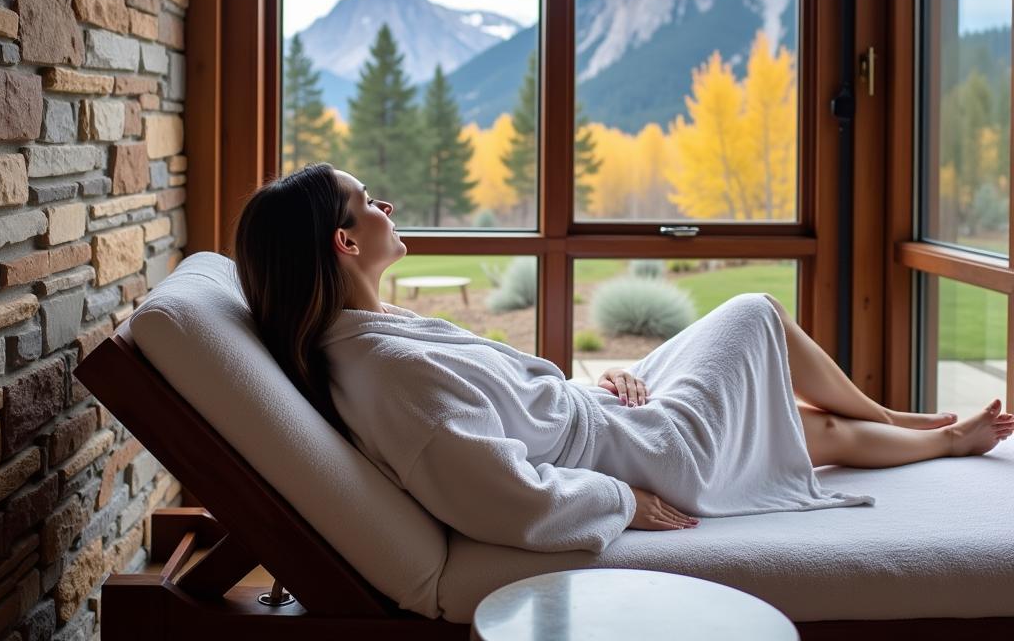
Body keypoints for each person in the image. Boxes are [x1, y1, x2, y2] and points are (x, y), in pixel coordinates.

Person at [234, 163, 1013, 553]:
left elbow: (509, 420)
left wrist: (587, 386)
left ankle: (941, 438)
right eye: (368, 202)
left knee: (804, 435)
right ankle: (895, 415)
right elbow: (497, 493)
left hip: (616, 422)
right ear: (344, 243)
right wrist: (620, 501)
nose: (385, 207)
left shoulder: (371, 340)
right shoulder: (388, 373)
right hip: (645, 455)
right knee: (758, 313)